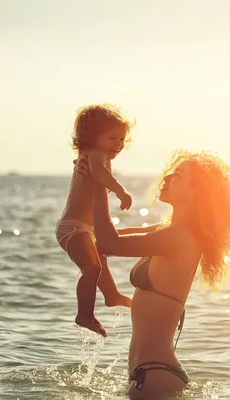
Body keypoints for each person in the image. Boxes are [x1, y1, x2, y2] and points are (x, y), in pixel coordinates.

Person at [81, 149, 230, 398]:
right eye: (170, 172)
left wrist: (98, 185)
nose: (167, 178)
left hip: (155, 377)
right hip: (148, 374)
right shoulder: (168, 231)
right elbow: (99, 239)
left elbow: (108, 243)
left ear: (195, 193)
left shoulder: (177, 238)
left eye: (178, 175)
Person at [55, 103, 134, 337]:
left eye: (122, 140)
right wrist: (120, 190)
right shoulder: (96, 155)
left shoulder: (88, 155)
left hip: (83, 228)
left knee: (101, 261)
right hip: (72, 228)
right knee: (92, 268)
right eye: (112, 138)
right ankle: (84, 314)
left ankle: (111, 295)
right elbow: (100, 173)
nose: (118, 145)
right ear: (92, 136)